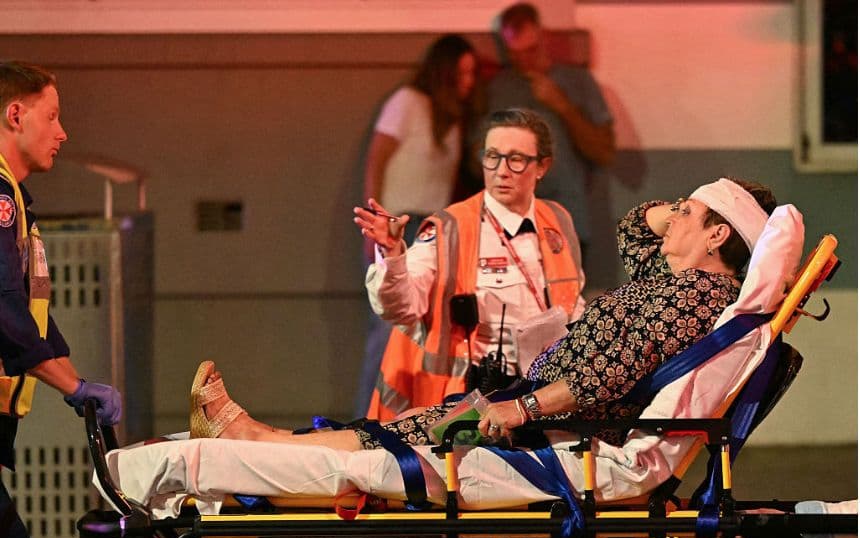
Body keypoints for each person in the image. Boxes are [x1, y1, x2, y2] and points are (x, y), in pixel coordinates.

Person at [187, 176, 775, 455]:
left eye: (689, 214)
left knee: (401, 438)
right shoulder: (675, 282)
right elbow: (635, 226)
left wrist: (518, 408)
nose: (672, 217)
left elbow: (608, 374)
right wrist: (690, 207)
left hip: (552, 420)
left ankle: (254, 443)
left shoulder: (691, 296)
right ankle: (261, 439)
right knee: (404, 428)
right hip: (538, 403)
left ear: (718, 236)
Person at [357, 108, 586, 422]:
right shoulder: (450, 227)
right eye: (492, 157)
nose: (501, 171)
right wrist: (393, 253)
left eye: (516, 159)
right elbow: (401, 308)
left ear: (542, 167)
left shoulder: (558, 219)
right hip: (471, 397)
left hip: (542, 393)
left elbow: (573, 301)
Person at [0, 61, 122, 538]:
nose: (62, 133)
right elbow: (4, 311)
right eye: (51, 116)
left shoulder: (14, 201)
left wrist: (79, 384)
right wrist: (73, 388)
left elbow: (34, 315)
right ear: (15, 115)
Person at [354, 34, 480, 417]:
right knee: (387, 331)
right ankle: (366, 421)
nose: (469, 81)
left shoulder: (451, 117)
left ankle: (415, 418)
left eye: (472, 73)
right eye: (462, 73)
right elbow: (376, 159)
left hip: (433, 229)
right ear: (444, 71)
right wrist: (376, 226)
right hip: (399, 225)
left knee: (425, 333)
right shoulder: (407, 101)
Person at [487, 2, 615, 257]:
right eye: (515, 54)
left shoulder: (578, 81)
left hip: (566, 221)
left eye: (530, 50)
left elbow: (604, 153)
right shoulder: (499, 89)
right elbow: (478, 158)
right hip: (510, 226)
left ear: (544, 38)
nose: (524, 61)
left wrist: (562, 106)